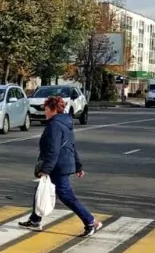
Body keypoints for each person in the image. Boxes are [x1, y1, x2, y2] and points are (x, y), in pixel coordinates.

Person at [19, 96, 102, 236]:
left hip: (58, 166)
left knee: (66, 195)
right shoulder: (65, 123)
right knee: (41, 190)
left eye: (46, 109)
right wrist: (78, 166)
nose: (44, 113)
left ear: (53, 110)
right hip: (63, 163)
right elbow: (71, 147)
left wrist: (46, 170)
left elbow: (54, 150)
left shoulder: (54, 125)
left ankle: (91, 222)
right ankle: (34, 220)